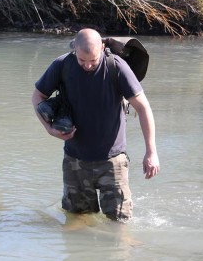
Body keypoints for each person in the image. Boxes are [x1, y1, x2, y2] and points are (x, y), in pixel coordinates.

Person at [32, 28, 160, 223]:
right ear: (74, 49)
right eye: (82, 61)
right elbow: (37, 97)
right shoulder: (62, 65)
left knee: (120, 224)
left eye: (93, 60)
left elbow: (143, 108)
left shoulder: (117, 67)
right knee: (75, 222)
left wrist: (151, 152)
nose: (88, 65)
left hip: (113, 162)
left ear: (102, 47)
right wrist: (49, 129)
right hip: (75, 161)